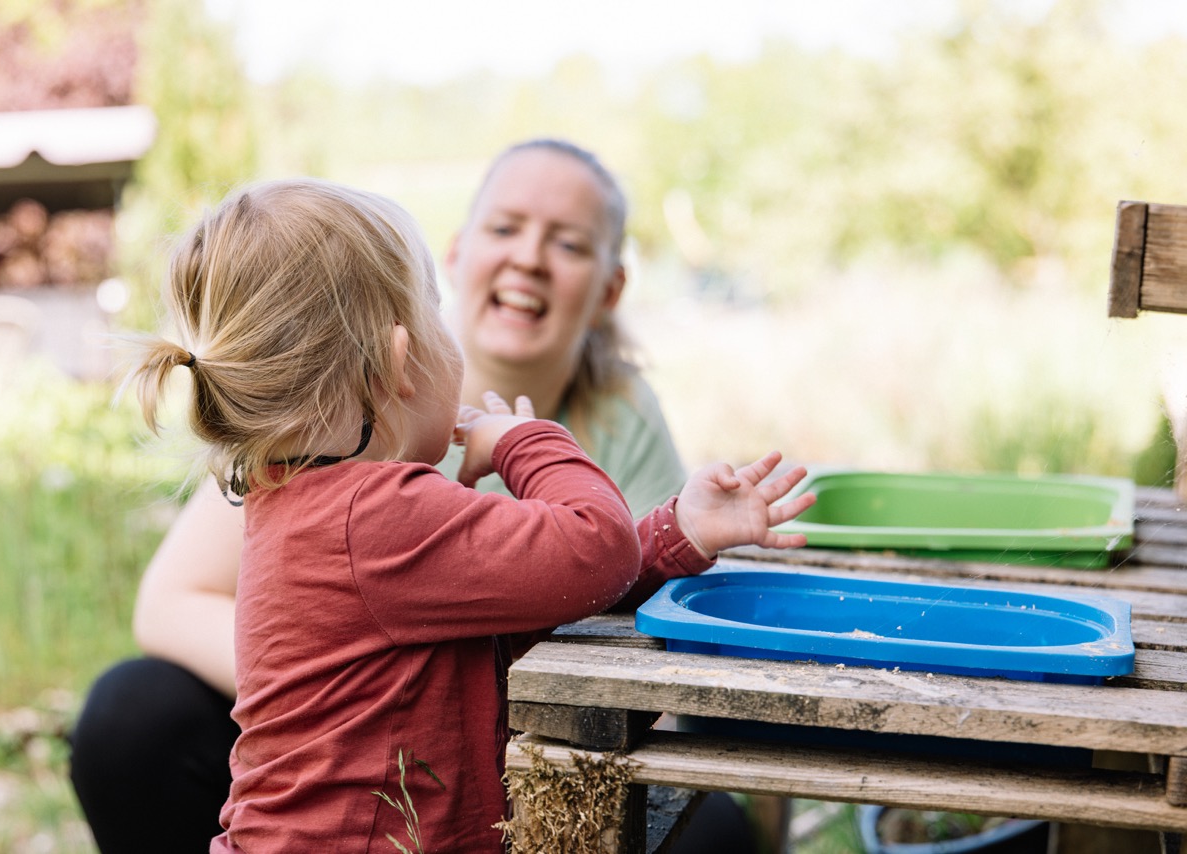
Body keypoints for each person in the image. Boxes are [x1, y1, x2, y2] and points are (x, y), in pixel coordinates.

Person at [68, 139, 790, 851]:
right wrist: (521, 439)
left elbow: (551, 587)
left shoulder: (292, 492)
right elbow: (592, 550)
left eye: (566, 243)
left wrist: (676, 534)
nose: (530, 256)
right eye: (435, 313)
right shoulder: (381, 511)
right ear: (399, 361)